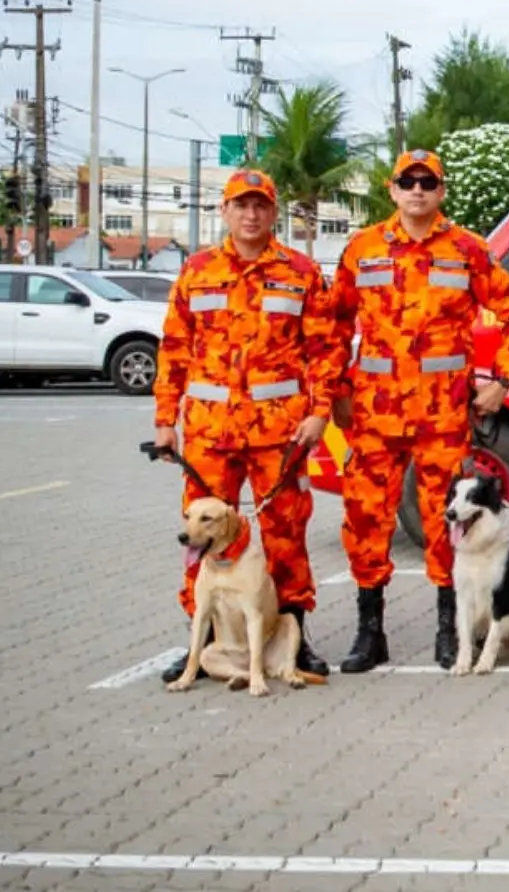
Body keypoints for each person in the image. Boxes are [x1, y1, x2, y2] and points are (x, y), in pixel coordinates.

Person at [330, 149, 509, 673]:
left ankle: (452, 633)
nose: (417, 189)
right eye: (408, 181)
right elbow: (329, 327)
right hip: (375, 416)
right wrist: (334, 391)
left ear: (441, 191)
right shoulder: (362, 250)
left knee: (448, 525)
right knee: (365, 521)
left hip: (443, 417)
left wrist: (501, 383)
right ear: (391, 188)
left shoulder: (467, 250)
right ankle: (369, 633)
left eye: (428, 182)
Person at [153, 169, 341, 684]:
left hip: (280, 436)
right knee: (202, 537)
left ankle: (293, 636)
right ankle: (204, 641)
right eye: (241, 205)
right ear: (225, 210)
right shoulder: (196, 272)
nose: (251, 214)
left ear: (273, 212)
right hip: (210, 437)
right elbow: (173, 349)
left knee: (285, 535)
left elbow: (325, 350)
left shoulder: (300, 272)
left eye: (260, 205)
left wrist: (319, 411)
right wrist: (165, 420)